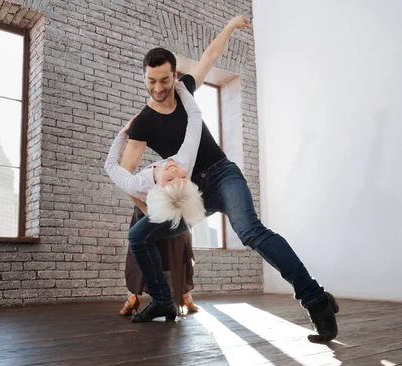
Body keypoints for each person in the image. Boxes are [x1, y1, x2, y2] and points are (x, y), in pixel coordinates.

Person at [119, 16, 339, 342]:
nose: (159, 87)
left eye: (164, 79)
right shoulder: (143, 123)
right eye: (152, 81)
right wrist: (151, 205)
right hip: (192, 194)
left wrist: (231, 27)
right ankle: (164, 302)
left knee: (250, 231)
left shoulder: (184, 91)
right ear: (145, 77)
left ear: (174, 74)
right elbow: (125, 175)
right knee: (139, 236)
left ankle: (316, 300)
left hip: (223, 176)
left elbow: (210, 56)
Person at [105, 81, 207, 322]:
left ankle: (174, 297)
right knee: (139, 238)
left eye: (177, 176)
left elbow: (110, 165)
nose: (175, 168)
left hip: (175, 214)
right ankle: (158, 299)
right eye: (178, 176)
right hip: (165, 210)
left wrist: (123, 133)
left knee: (161, 240)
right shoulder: (175, 165)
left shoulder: (151, 178)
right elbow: (195, 115)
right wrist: (180, 87)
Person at [119, 206, 199, 317]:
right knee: (147, 249)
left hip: (168, 207)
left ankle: (132, 298)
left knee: (173, 250)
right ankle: (185, 297)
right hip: (161, 207)